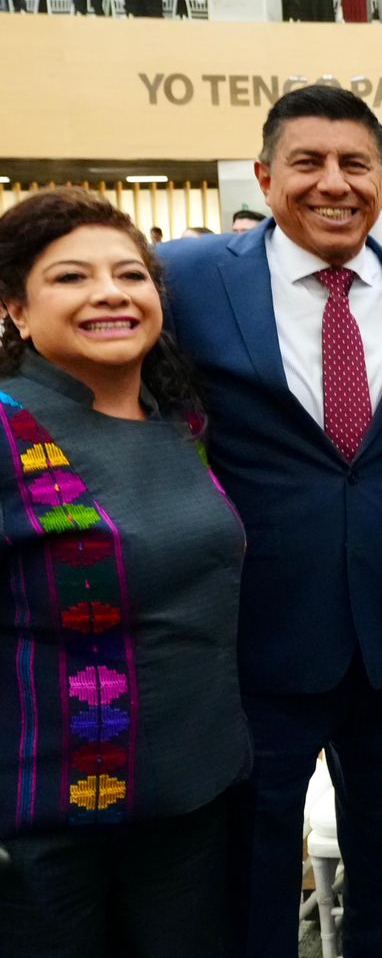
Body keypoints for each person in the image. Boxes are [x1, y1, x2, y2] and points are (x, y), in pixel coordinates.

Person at [160, 85, 382, 958]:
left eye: (356, 164)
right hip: (255, 637)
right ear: (264, 174)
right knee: (252, 871)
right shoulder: (187, 278)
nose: (335, 183)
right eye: (308, 163)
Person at [0, 188, 250, 957]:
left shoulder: (183, 422)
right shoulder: (7, 427)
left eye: (131, 275)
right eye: (71, 278)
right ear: (14, 308)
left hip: (196, 800)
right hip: (47, 827)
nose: (110, 293)